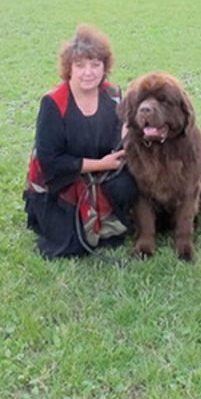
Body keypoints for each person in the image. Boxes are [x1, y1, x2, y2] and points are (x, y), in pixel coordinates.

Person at [24, 24, 137, 259]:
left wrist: (128, 132)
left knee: (127, 190)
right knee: (71, 244)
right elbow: (50, 161)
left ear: (104, 67)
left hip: (104, 174)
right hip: (62, 180)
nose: (89, 72)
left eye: (95, 65)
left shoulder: (114, 95)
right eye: (80, 65)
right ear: (70, 69)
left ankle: (107, 212)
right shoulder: (53, 103)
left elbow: (122, 137)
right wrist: (100, 165)